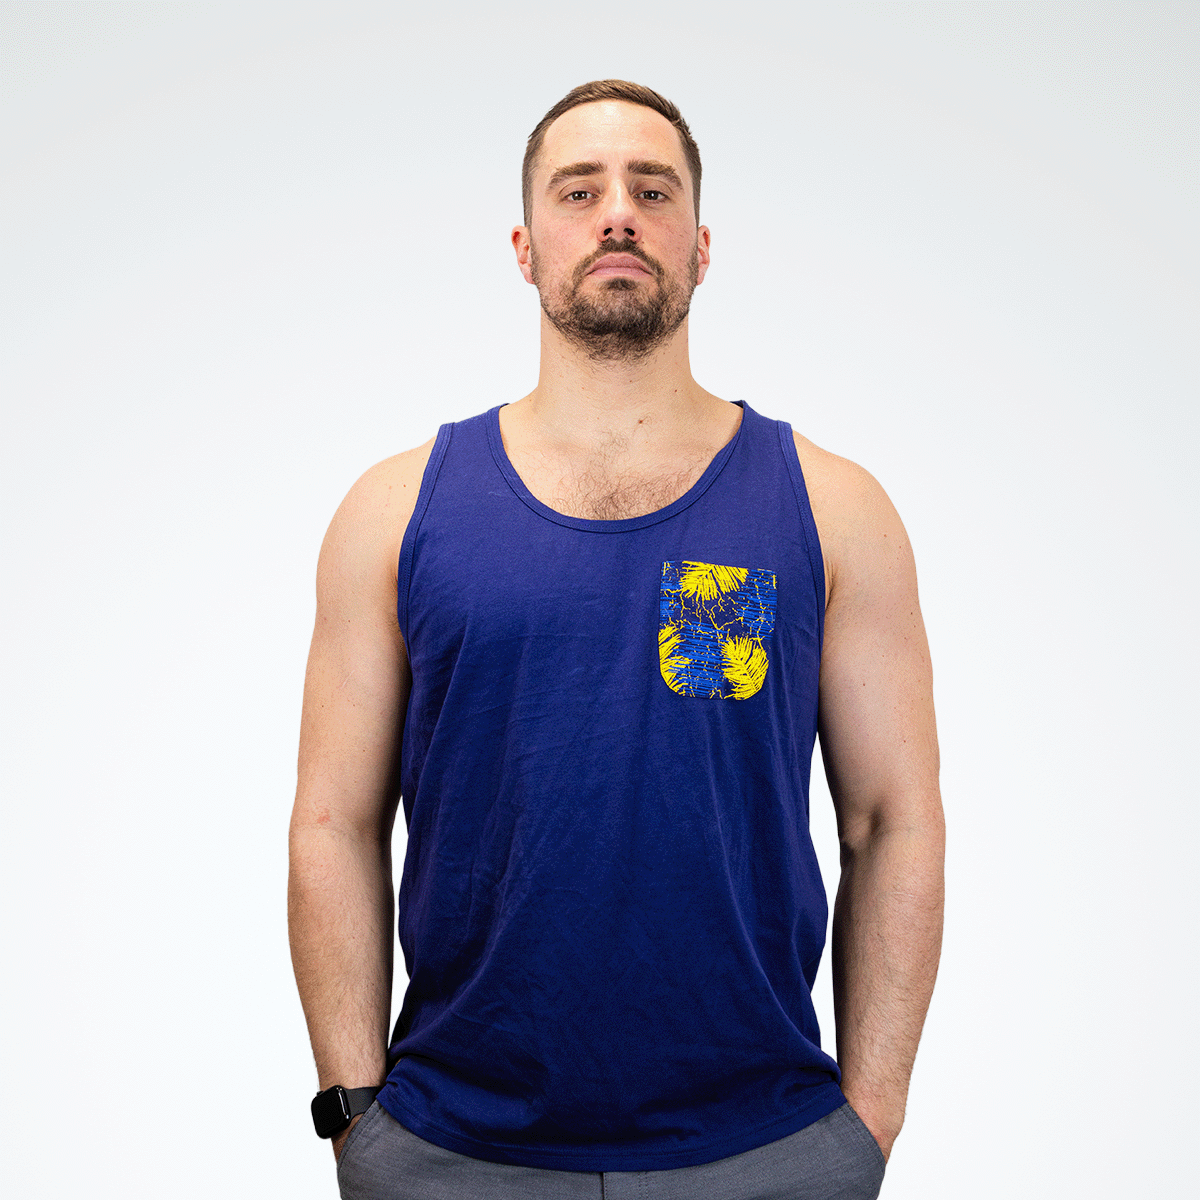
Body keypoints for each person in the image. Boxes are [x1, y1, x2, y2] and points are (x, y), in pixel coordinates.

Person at [288, 80, 944, 1200]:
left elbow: (894, 820)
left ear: (701, 244)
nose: (619, 216)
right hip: (452, 1154)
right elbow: (332, 821)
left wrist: (867, 1123)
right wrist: (356, 1118)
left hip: (767, 1151)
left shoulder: (831, 508)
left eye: (653, 189)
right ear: (524, 246)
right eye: (578, 191)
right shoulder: (395, 510)